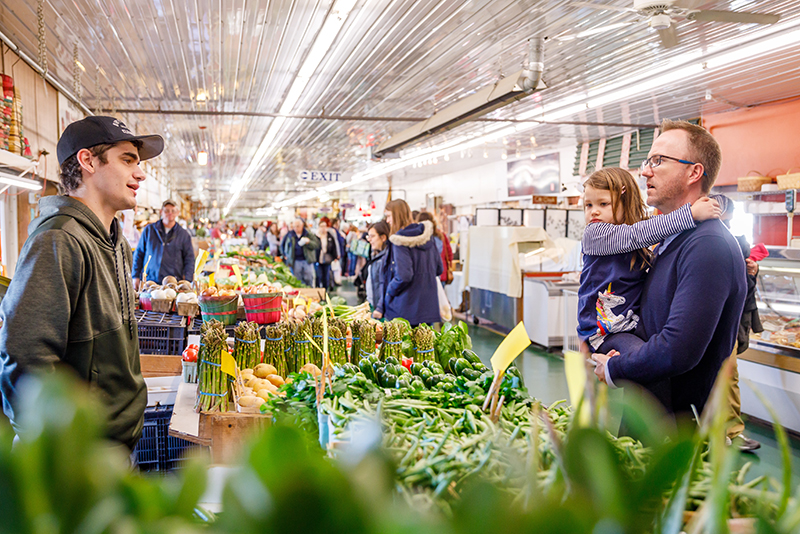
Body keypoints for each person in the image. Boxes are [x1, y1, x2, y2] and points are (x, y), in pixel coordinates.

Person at [0, 115, 164, 451]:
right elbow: (24, 359)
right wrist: (62, 455)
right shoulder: (58, 240)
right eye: (127, 160)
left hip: (116, 446)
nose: (140, 173)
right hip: (80, 458)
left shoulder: (116, 242)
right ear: (87, 160)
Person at [592, 119, 747, 419]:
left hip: (679, 434)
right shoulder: (674, 239)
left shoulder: (708, 246)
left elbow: (676, 349)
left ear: (694, 172)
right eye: (647, 160)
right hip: (654, 412)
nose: (645, 170)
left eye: (658, 161)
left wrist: (614, 368)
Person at [578, 168, 720, 357]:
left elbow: (652, 227)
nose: (594, 211)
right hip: (603, 333)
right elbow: (638, 234)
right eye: (588, 205)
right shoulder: (595, 233)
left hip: (629, 326)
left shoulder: (638, 229)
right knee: (645, 358)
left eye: (604, 204)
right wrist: (691, 214)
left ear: (626, 201)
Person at [709, 194, 763, 451]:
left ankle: (731, 431)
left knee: (729, 376)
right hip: (698, 321)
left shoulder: (735, 243)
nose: (725, 227)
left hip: (725, 322)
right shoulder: (695, 239)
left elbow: (741, 289)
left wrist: (749, 271)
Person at [383, 199, 442, 325]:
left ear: (397, 215)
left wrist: (389, 290)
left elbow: (404, 275)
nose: (387, 221)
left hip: (405, 308)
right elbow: (439, 268)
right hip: (428, 306)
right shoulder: (428, 237)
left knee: (404, 344)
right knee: (424, 343)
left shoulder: (400, 241)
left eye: (389, 216)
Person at [132, 200, 195, 289]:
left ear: (177, 213)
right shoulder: (149, 230)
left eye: (173, 211)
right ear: (161, 212)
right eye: (166, 210)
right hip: (150, 282)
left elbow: (189, 259)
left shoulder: (184, 235)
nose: (170, 213)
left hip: (173, 285)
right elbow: (139, 253)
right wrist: (135, 276)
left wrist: (188, 281)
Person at [281, 218, 320, 287]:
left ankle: (310, 293)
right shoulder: (290, 235)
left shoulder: (308, 234)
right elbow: (283, 245)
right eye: (294, 226)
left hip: (307, 260)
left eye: (298, 226)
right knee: (297, 280)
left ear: (302, 225)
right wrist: (285, 254)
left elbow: (316, 245)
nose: (296, 228)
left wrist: (308, 242)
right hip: (295, 261)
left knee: (309, 278)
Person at [417, 212, 453, 286]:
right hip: (441, 273)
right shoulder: (441, 235)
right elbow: (449, 254)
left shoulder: (419, 238)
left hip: (425, 275)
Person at [364, 221, 390, 318]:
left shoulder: (386, 259)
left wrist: (379, 308)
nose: (369, 240)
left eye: (372, 236)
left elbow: (385, 286)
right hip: (375, 308)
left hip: (382, 312)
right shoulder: (376, 255)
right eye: (368, 236)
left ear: (383, 237)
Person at [315, 217, 341, 290]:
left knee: (326, 276)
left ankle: (325, 290)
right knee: (318, 275)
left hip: (327, 259)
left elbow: (334, 246)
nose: (323, 228)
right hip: (318, 259)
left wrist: (335, 256)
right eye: (321, 226)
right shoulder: (316, 236)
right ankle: (318, 290)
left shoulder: (330, 236)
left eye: (324, 226)